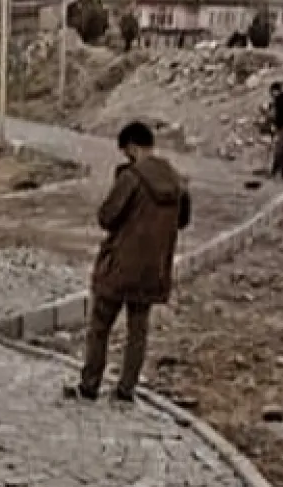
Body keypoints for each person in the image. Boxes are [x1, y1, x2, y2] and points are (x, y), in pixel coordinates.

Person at [65, 121, 191, 404]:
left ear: (132, 147)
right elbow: (183, 220)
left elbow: (106, 217)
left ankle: (89, 386)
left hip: (120, 266)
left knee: (100, 326)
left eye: (125, 152)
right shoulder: (176, 179)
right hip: (154, 268)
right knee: (138, 330)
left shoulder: (131, 178)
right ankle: (125, 390)